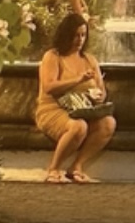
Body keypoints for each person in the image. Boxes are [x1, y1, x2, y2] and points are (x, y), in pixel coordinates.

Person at [34, 13, 117, 183]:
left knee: (109, 123)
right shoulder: (53, 56)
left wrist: (99, 97)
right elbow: (49, 87)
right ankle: (54, 168)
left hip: (83, 109)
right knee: (79, 126)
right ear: (66, 35)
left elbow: (101, 89)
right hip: (53, 109)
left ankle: (77, 166)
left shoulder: (89, 60)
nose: (79, 40)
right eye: (75, 35)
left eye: (83, 35)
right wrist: (78, 79)